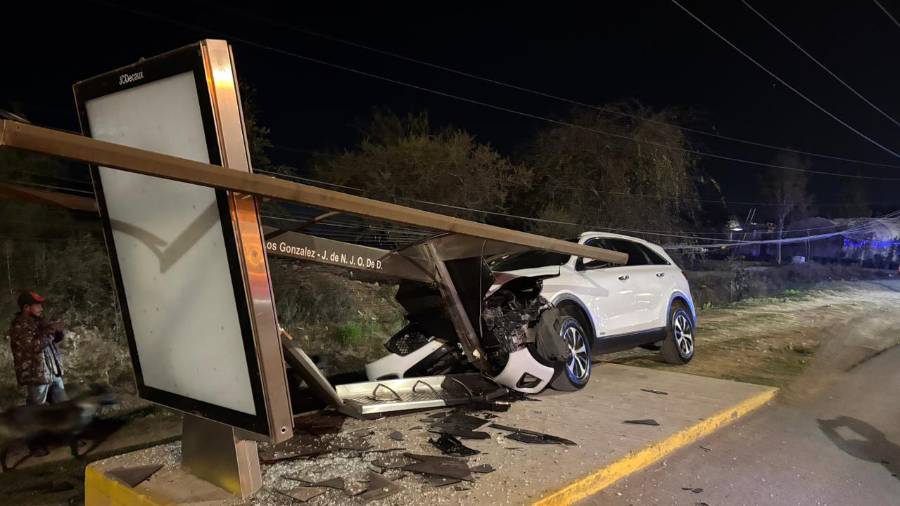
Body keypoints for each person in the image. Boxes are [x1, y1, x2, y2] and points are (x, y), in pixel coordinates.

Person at [8, 291, 67, 409]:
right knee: (36, 414)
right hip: (37, 378)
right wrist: (50, 330)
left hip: (53, 373)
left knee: (64, 411)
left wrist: (58, 331)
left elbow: (54, 340)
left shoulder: (39, 321)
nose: (41, 308)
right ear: (26, 307)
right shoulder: (19, 326)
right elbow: (34, 347)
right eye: (38, 305)